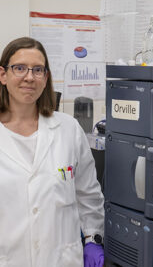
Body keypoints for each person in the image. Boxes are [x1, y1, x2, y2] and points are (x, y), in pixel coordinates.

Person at [0, 37, 105, 267]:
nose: (29, 77)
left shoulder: (68, 129)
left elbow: (88, 194)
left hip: (61, 259)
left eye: (38, 70)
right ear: (3, 75)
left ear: (45, 77)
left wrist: (92, 238)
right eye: (19, 68)